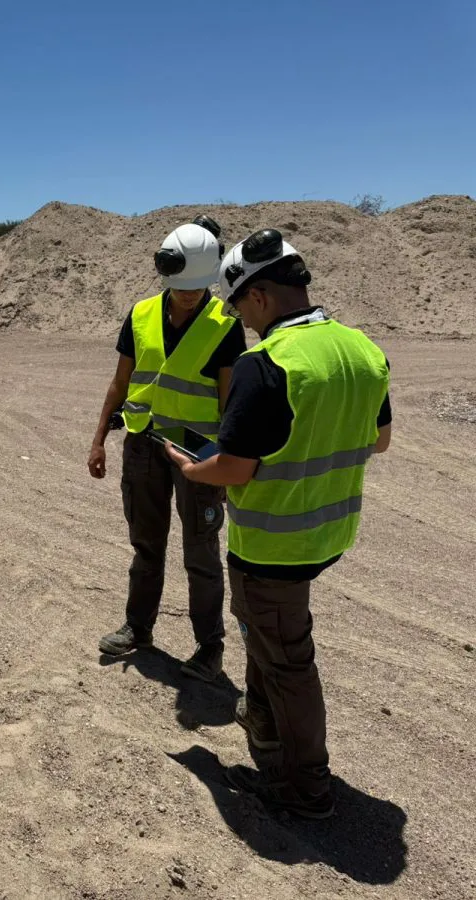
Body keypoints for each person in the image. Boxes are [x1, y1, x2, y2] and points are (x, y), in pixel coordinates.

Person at [166, 228, 392, 819]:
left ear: (259, 295)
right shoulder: (363, 350)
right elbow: (381, 439)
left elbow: (234, 465)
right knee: (272, 637)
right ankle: (263, 724)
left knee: (290, 661)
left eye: (238, 307)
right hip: (327, 531)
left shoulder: (266, 364)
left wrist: (190, 469)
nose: (240, 320)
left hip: (273, 542)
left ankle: (305, 786)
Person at [89, 217, 246, 681]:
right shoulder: (139, 314)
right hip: (142, 444)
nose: (190, 295)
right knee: (146, 546)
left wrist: (225, 468)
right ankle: (138, 628)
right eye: (183, 288)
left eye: (198, 288)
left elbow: (229, 402)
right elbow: (120, 382)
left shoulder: (226, 325)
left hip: (198, 454)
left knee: (200, 552)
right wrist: (98, 439)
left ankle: (209, 648)